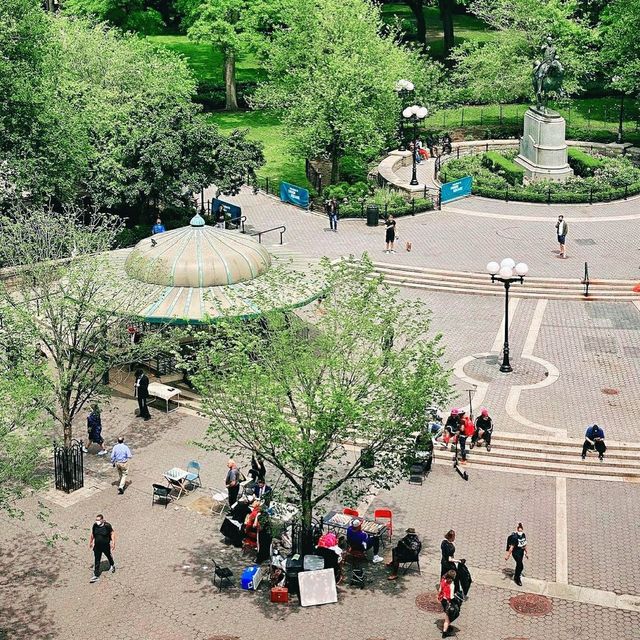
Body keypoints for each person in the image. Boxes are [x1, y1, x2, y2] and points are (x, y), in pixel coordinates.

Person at [89, 514, 115, 583]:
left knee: (108, 555)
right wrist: (91, 542)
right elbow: (92, 534)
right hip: (97, 547)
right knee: (97, 560)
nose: (97, 521)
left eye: (98, 520)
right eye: (96, 520)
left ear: (102, 520)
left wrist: (113, 543)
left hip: (105, 546)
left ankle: (112, 564)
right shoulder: (95, 526)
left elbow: (112, 533)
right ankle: (96, 575)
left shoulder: (107, 526)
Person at [504, 522, 528, 586]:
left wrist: (526, 552)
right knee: (520, 565)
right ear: (517, 529)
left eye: (521, 530)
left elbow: (524, 544)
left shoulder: (523, 535)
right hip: (516, 553)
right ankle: (517, 578)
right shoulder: (515, 537)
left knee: (519, 565)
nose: (520, 531)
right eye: (519, 530)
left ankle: (517, 575)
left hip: (521, 552)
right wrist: (508, 555)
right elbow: (511, 548)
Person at [438, 569, 458, 638]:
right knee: (447, 618)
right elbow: (451, 596)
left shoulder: (443, 581)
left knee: (447, 615)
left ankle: (447, 626)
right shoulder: (452, 585)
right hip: (448, 603)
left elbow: (440, 590)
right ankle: (444, 633)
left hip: (443, 600)